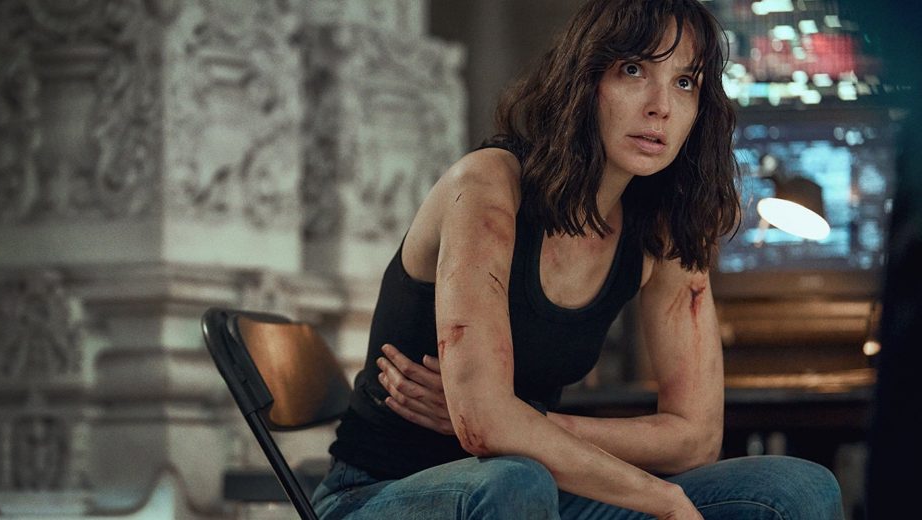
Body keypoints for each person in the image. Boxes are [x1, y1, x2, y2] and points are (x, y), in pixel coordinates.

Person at [313, 0, 843, 518]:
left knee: (797, 487)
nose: (660, 105)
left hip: (544, 487)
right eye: (634, 70)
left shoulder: (664, 225)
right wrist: (660, 498)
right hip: (379, 492)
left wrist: (526, 421)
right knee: (514, 480)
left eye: (685, 82)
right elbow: (485, 428)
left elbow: (695, 438)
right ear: (583, 80)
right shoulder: (487, 185)